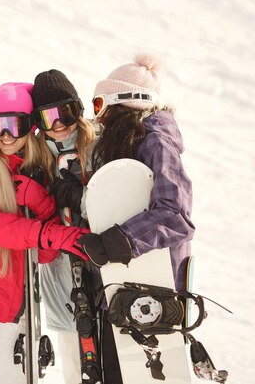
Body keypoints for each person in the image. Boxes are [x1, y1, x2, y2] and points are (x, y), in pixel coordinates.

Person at [0, 82, 90, 384]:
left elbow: (45, 254)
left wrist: (41, 201)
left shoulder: (36, 169)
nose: (6, 136)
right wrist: (54, 233)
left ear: (31, 127)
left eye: (15, 125)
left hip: (16, 310)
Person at [75, 53, 195, 383]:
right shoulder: (129, 144)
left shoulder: (156, 141)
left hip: (153, 296)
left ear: (120, 104)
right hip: (125, 294)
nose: (97, 117)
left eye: (99, 105)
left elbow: (175, 215)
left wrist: (120, 240)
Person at [29, 69, 98, 384]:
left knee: (112, 356)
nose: (58, 125)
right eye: (47, 118)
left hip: (100, 265)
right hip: (60, 273)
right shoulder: (35, 157)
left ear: (78, 110)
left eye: (65, 113)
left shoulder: (97, 146)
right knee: (75, 363)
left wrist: (83, 194)